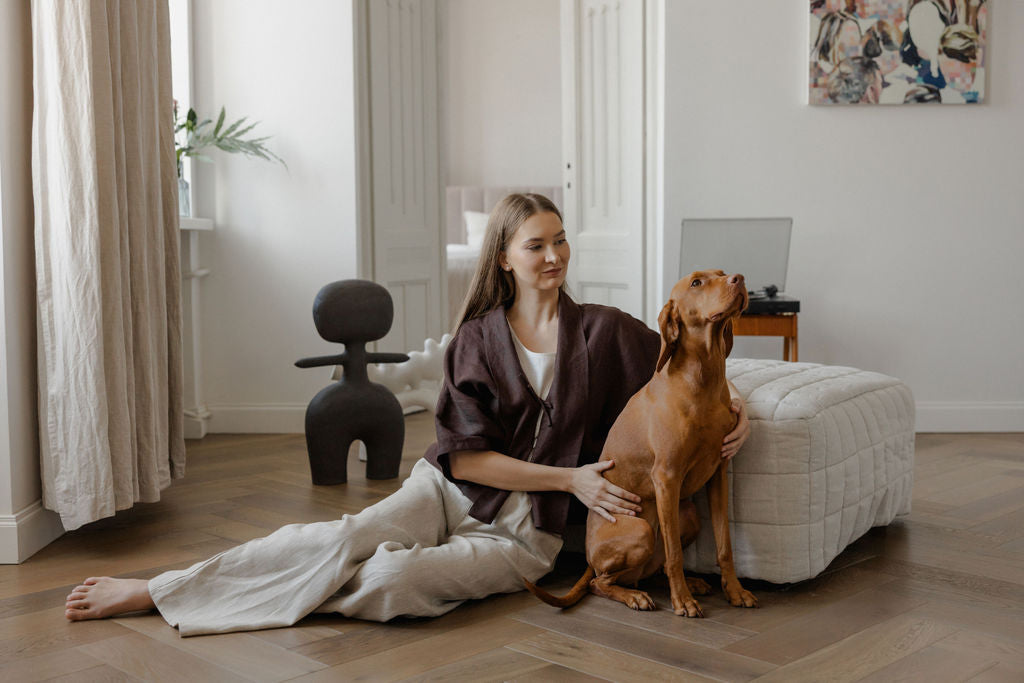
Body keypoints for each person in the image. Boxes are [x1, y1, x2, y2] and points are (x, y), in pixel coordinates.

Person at [63, 193, 750, 635]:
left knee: (393, 581)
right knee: (342, 538)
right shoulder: (476, 338)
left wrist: (738, 413)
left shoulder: (607, 330)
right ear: (505, 259)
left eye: (560, 240)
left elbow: (682, 372)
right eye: (535, 244)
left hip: (522, 537)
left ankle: (274, 586)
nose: (554, 255)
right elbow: (464, 457)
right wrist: (570, 480)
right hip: (444, 491)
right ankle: (160, 587)